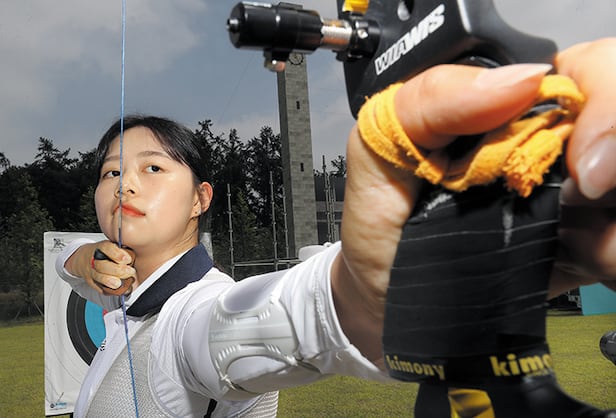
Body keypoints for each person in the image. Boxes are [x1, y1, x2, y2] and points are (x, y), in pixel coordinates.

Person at [56, 38, 616, 417]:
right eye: (111, 173)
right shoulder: (123, 289)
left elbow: (275, 321)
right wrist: (81, 259)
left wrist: (370, 292)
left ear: (201, 199)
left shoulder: (189, 319)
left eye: (153, 168)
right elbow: (72, 269)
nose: (124, 186)